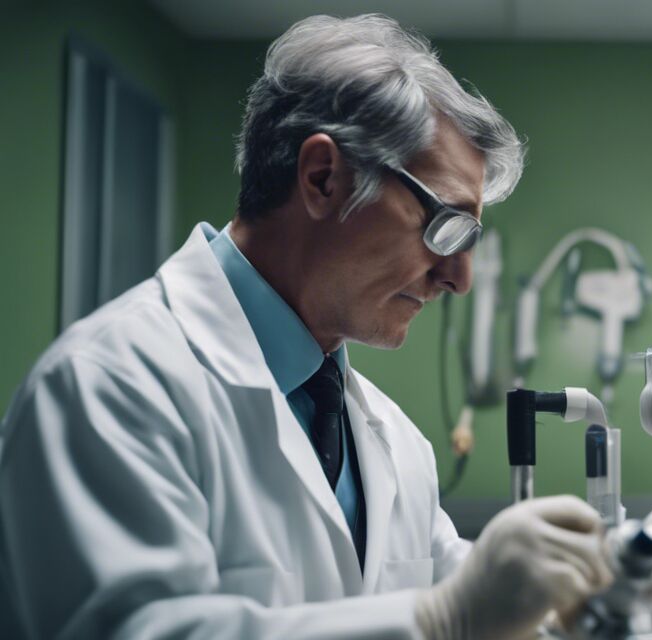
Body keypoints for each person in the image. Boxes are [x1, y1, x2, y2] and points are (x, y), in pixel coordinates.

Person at [0, 14, 611, 640]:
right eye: (444, 227)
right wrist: (437, 621)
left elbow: (489, 610)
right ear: (323, 179)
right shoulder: (108, 388)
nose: (458, 279)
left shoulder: (398, 448)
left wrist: (605, 599)